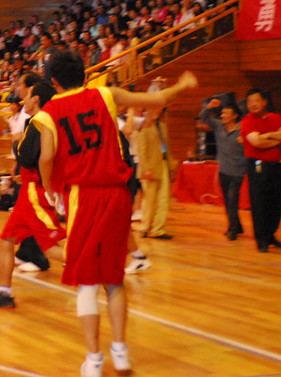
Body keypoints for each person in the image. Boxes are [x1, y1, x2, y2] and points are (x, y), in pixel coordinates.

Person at [34, 49, 197, 377]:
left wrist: (49, 185)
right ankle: (120, 352)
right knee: (114, 280)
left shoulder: (49, 111)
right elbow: (156, 100)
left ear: (53, 82)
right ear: (83, 73)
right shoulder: (106, 95)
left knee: (87, 283)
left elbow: (46, 156)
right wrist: (182, 85)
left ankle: (94, 359)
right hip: (117, 194)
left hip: (84, 197)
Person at [0, 80, 64, 308]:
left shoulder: (39, 122)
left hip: (35, 191)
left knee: (49, 246)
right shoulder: (46, 121)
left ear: (35, 99)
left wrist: (18, 144)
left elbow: (29, 156)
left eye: (26, 96)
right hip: (30, 188)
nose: (22, 99)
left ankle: (96, 266)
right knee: (6, 239)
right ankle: (5, 292)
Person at [241, 89, 281, 253]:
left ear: (264, 102)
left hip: (276, 165)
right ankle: (261, 239)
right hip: (257, 165)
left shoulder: (275, 117)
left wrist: (267, 135)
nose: (252, 104)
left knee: (278, 200)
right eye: (249, 101)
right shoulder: (247, 121)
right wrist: (276, 137)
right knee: (260, 203)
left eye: (256, 100)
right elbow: (256, 142)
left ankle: (270, 235)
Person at [201, 99, 248, 241]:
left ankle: (232, 230)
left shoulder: (242, 130)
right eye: (222, 113)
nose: (222, 116)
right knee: (228, 201)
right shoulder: (218, 126)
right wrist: (209, 107)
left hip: (238, 172)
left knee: (232, 200)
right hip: (223, 171)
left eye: (226, 113)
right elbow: (203, 117)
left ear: (235, 116)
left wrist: (245, 142)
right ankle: (237, 226)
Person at [136, 107, 173, 240]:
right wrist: (146, 168)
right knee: (149, 200)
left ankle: (158, 229)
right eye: (155, 109)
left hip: (163, 164)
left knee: (163, 199)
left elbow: (165, 147)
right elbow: (141, 148)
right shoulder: (143, 125)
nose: (158, 111)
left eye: (159, 109)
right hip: (150, 167)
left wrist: (170, 165)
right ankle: (145, 227)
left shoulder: (162, 126)